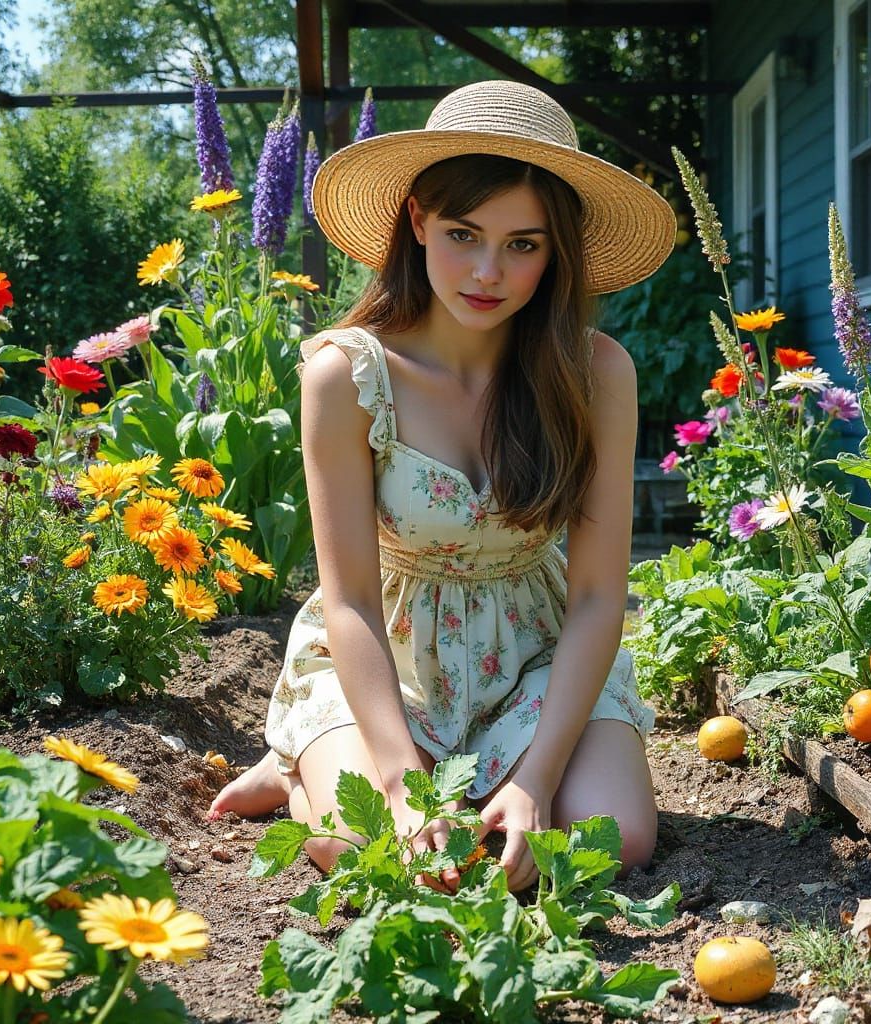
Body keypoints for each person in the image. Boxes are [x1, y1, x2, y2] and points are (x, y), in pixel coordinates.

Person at [207, 80, 676, 893]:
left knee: (615, 839)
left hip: (534, 651)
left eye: (524, 244)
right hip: (389, 657)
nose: (489, 271)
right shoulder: (346, 375)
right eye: (464, 233)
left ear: (556, 250)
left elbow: (601, 596)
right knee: (372, 852)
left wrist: (537, 773)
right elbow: (346, 599)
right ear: (418, 219)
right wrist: (394, 785)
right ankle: (300, 767)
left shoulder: (596, 373)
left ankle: (460, 776)